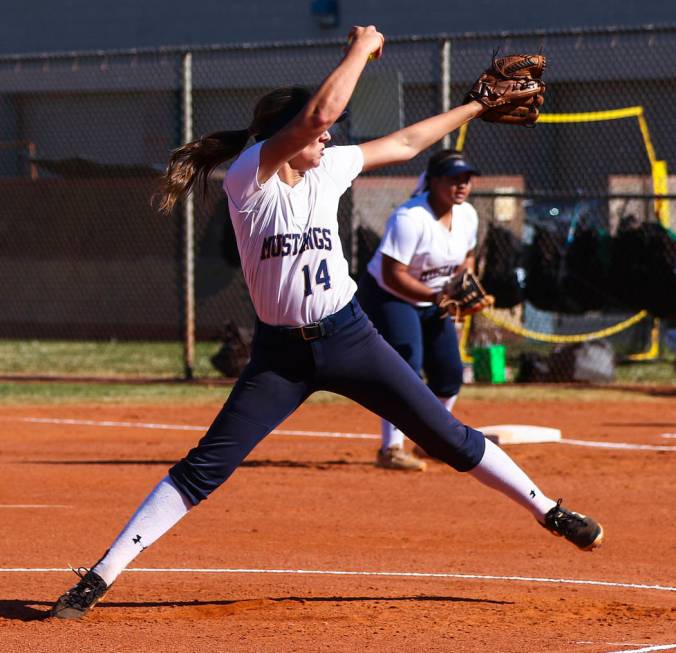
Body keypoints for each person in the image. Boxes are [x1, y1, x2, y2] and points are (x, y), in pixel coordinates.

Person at [51, 25, 603, 620]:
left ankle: (549, 509)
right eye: (317, 132)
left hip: (349, 337)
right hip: (280, 359)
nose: (329, 137)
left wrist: (477, 105)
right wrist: (359, 50)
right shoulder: (249, 178)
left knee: (445, 436)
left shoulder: (328, 169)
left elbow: (409, 141)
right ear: (282, 136)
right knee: (205, 467)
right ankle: (100, 576)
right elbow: (318, 115)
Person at [357, 149, 481, 471]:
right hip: (389, 295)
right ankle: (391, 449)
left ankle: (435, 439)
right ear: (433, 181)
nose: (462, 184)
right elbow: (391, 274)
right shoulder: (409, 218)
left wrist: (463, 283)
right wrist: (439, 296)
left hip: (435, 297)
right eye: (454, 178)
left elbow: (468, 255)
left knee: (450, 373)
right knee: (406, 366)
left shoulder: (467, 214)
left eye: (466, 178)